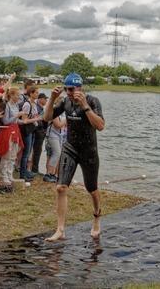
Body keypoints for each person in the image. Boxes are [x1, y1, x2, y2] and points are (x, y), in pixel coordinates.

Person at [43, 73, 105, 241]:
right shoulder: (65, 102)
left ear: (79, 88)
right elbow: (47, 117)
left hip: (89, 150)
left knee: (92, 189)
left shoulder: (92, 101)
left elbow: (100, 126)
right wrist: (51, 99)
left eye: (71, 89)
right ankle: (60, 229)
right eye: (66, 89)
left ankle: (97, 218)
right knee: (61, 187)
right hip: (70, 148)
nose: (69, 93)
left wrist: (85, 106)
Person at [18, 85, 41, 181]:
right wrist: (37, 119)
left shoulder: (34, 104)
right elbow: (25, 120)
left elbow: (33, 116)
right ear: (31, 93)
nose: (37, 94)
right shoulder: (27, 104)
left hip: (32, 130)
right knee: (26, 153)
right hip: (27, 131)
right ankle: (22, 174)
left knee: (28, 152)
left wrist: (37, 118)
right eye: (36, 93)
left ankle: (26, 172)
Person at [43, 105, 66, 183]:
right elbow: (58, 125)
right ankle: (48, 174)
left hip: (60, 136)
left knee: (56, 154)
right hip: (52, 135)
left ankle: (52, 174)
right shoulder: (54, 112)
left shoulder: (63, 113)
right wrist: (66, 120)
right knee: (56, 153)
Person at [31, 92, 48, 175]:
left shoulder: (42, 107)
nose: (46, 100)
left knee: (38, 150)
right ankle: (34, 170)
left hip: (42, 131)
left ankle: (35, 168)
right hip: (38, 131)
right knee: (37, 150)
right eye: (45, 99)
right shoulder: (37, 107)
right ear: (40, 99)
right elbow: (38, 119)